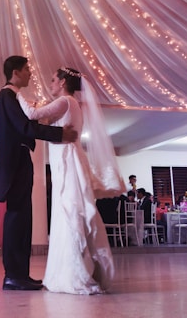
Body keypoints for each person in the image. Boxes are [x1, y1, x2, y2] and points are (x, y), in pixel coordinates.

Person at [15, 66, 126, 294]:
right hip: (64, 160)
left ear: (64, 82)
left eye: (54, 79)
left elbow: (32, 115)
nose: (51, 84)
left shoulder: (65, 101)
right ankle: (74, 269)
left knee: (70, 212)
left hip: (67, 162)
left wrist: (16, 92)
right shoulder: (70, 104)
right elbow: (43, 123)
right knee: (67, 213)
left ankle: (76, 273)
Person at [0, 56, 78, 291]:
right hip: (14, 162)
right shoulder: (7, 95)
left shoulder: (12, 96)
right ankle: (13, 275)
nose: (30, 73)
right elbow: (24, 126)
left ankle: (20, 274)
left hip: (20, 160)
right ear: (16, 73)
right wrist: (60, 135)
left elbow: (26, 124)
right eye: (27, 70)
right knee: (17, 218)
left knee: (22, 219)